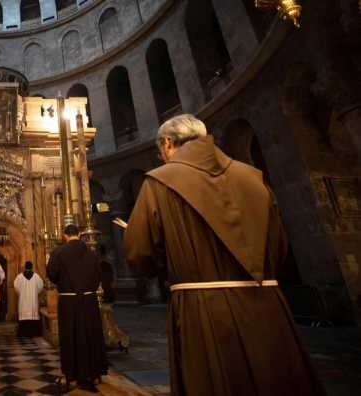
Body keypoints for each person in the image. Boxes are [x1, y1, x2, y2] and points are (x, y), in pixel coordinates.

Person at [123, 114, 325, 396]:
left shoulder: (160, 182)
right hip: (268, 305)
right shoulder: (252, 177)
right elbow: (279, 247)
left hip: (202, 308)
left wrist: (170, 267)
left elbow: (139, 254)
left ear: (168, 144)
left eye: (160, 151)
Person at [47, 225, 108, 393]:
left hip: (69, 301)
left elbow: (52, 274)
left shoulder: (58, 252)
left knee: (71, 336)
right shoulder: (92, 253)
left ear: (65, 235)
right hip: (89, 300)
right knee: (91, 335)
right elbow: (98, 276)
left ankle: (73, 374)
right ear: (80, 234)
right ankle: (94, 373)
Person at [13, 261, 44, 337]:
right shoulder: (36, 276)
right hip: (33, 300)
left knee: (23, 316)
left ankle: (23, 333)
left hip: (23, 301)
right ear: (32, 267)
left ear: (25, 267)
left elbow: (16, 287)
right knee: (33, 316)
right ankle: (34, 333)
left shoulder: (19, 277)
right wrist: (35, 292)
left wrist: (21, 293)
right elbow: (40, 287)